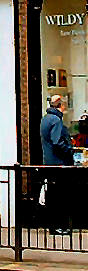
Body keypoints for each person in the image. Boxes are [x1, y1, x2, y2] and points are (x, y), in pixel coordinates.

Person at [40, 94, 74, 236]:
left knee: (53, 195)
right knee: (60, 196)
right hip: (59, 163)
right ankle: (59, 226)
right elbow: (57, 142)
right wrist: (69, 150)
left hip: (49, 162)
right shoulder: (56, 120)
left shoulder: (45, 119)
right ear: (61, 105)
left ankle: (52, 225)